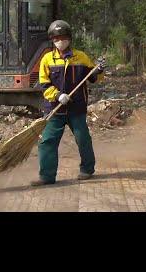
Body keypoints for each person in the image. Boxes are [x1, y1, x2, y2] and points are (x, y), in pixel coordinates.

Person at [32, 20, 105, 186]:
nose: (60, 40)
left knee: (83, 138)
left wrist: (99, 69)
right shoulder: (47, 59)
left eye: (63, 37)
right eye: (57, 38)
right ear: (52, 39)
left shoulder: (81, 57)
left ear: (70, 38)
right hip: (54, 109)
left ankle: (87, 169)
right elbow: (44, 84)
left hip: (76, 108)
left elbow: (93, 78)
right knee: (47, 141)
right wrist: (57, 95)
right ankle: (47, 176)